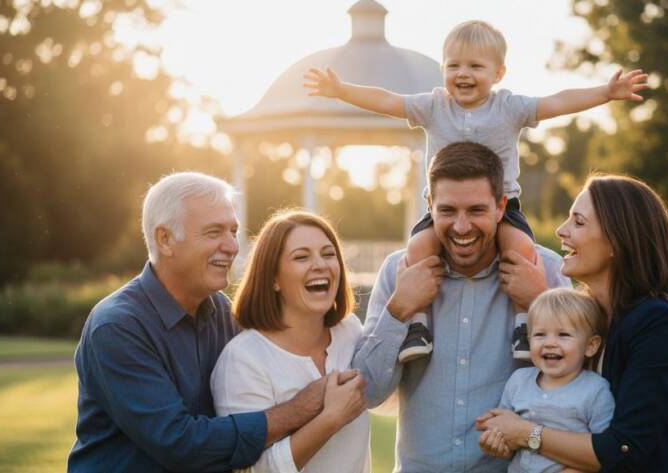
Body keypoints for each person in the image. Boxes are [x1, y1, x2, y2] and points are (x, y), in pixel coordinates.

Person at [304, 19, 647, 363]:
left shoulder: (509, 108)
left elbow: (556, 101)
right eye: (453, 65)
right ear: (442, 69)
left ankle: (523, 324)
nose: (462, 74)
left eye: (475, 66)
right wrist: (342, 90)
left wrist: (605, 92)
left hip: (505, 206)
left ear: (498, 73)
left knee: (522, 250)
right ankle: (417, 327)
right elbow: (388, 101)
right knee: (417, 249)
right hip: (444, 207)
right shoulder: (434, 106)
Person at [69, 172, 331, 472]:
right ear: (165, 239)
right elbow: (179, 443)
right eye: (214, 232)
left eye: (233, 231)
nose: (232, 246)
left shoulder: (222, 312)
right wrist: (299, 409)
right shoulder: (117, 327)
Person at [477, 174, 668, 472]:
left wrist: (526, 433)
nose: (561, 231)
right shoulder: (593, 316)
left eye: (578, 222)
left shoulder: (659, 324)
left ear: (618, 241)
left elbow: (624, 448)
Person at [353, 141, 570, 472]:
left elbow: (576, 392)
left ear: (500, 207)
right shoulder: (399, 271)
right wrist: (399, 310)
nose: (462, 226)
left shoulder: (548, 271)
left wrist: (541, 305)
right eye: (448, 211)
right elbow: (368, 393)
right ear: (430, 205)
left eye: (476, 211)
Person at [211, 210, 370, 473]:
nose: (320, 264)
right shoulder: (242, 360)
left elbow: (387, 399)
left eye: (328, 254)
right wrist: (330, 419)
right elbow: (252, 470)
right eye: (301, 257)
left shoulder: (350, 330)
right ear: (273, 278)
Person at [478, 287, 614, 473]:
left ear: (590, 346)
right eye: (540, 334)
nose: (549, 343)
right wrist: (495, 443)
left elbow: (604, 451)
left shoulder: (596, 390)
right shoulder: (518, 381)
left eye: (563, 335)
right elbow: (509, 441)